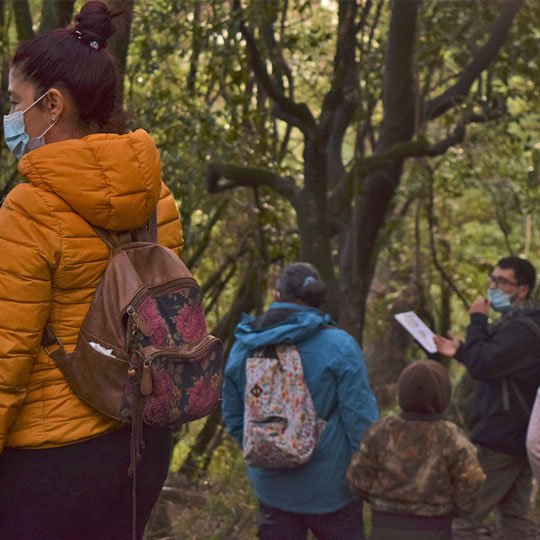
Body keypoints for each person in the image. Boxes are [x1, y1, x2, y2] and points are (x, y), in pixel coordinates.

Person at [0, 2, 183, 539]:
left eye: (16, 103)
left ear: (52, 104)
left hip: (47, 463)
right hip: (141, 448)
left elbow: (6, 358)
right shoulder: (157, 199)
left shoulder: (29, 209)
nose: (12, 119)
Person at [222, 262, 379, 540]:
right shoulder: (340, 346)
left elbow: (234, 415)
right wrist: (368, 474)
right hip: (332, 488)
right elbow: (361, 422)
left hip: (271, 487)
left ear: (276, 295)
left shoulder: (245, 346)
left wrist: (264, 448)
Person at [434, 256, 540, 540]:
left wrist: (478, 319)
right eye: (492, 279)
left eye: (502, 281)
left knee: (462, 518)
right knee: (515, 519)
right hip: (518, 436)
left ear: (523, 289)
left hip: (501, 440)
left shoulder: (522, 329)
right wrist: (460, 350)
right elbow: (495, 364)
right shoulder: (520, 324)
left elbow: (484, 364)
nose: (493, 286)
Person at [347, 359, 485, 540]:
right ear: (443, 396)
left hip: (384, 526)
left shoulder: (380, 431)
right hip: (435, 528)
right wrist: (456, 509)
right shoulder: (451, 437)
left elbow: (357, 479)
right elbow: (471, 483)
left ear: (402, 392)